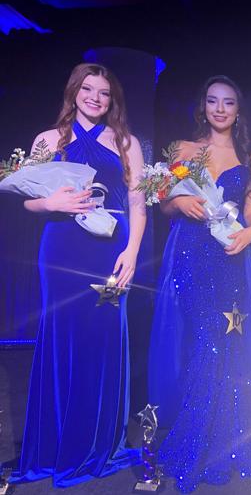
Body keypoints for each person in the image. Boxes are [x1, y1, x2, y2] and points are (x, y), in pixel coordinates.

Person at [12, 63, 146, 487]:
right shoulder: (48, 140)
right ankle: (56, 446)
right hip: (61, 248)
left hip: (111, 251)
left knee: (104, 342)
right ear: (74, 92)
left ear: (113, 101)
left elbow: (139, 206)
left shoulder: (126, 142)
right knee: (63, 340)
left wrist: (132, 253)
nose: (95, 98)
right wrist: (52, 203)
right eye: (87, 89)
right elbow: (26, 201)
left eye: (104, 93)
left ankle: (97, 442)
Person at [148, 75, 251, 493]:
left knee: (229, 343)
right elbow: (165, 204)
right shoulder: (183, 150)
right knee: (205, 340)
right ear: (203, 106)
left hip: (231, 257)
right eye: (212, 101)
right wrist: (180, 201)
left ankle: (227, 442)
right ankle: (194, 443)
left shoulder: (249, 158)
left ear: (238, 110)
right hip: (191, 254)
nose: (220, 108)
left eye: (229, 102)